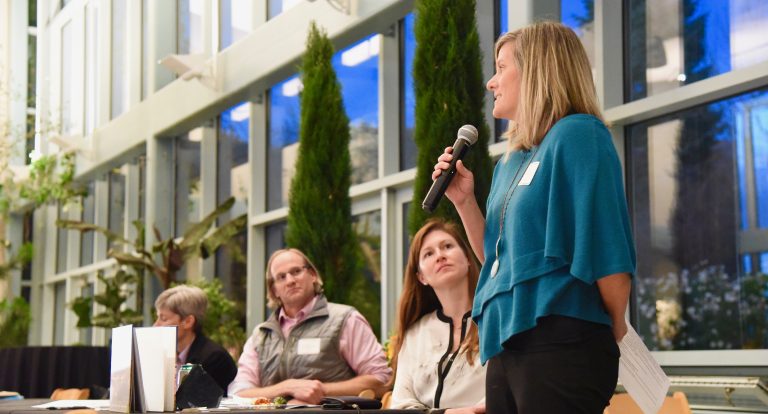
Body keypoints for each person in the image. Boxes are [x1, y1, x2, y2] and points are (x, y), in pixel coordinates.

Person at [432, 21, 636, 414]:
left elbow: (607, 246)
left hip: (562, 337)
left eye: (501, 67)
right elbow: (495, 258)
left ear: (538, 69)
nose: (492, 82)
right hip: (508, 342)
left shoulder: (579, 134)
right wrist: (463, 201)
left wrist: (614, 325)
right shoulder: (512, 160)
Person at [228, 248, 392, 404]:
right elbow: (239, 392)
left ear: (312, 275)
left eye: (296, 272)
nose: (291, 281)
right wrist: (288, 387)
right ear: (274, 289)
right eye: (281, 277)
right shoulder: (261, 335)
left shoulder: (346, 319)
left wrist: (321, 390)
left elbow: (381, 380)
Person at [389, 219, 486, 414]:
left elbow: (504, 391)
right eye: (428, 254)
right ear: (421, 277)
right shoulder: (415, 333)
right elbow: (400, 403)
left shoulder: (496, 319)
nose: (440, 256)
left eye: (447, 246)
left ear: (468, 258)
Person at [154, 285, 238, 393]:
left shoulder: (214, 358)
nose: (156, 325)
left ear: (188, 321)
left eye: (163, 318)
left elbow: (190, 402)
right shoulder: (164, 354)